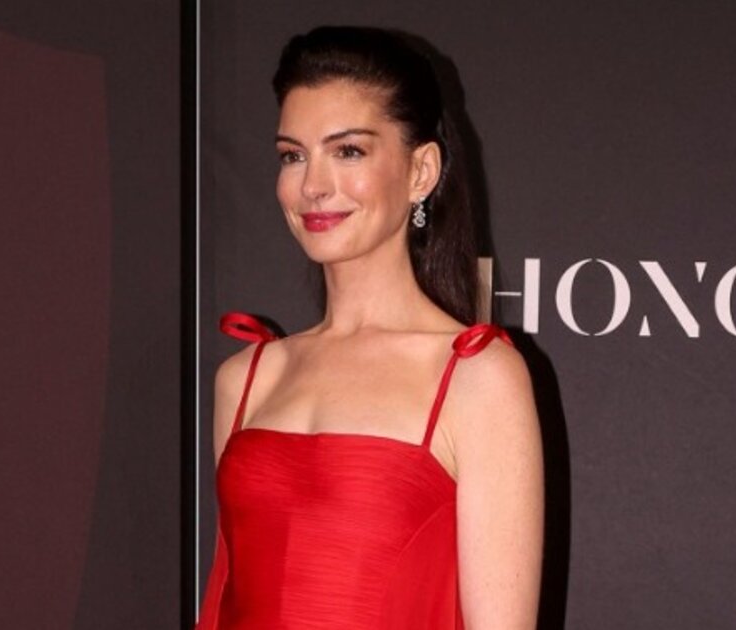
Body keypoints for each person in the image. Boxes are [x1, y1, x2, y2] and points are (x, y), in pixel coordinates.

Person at [196, 25, 543, 629]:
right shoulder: (245, 377)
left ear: (421, 171)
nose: (312, 186)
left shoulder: (477, 378)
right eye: (293, 155)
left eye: (348, 151)